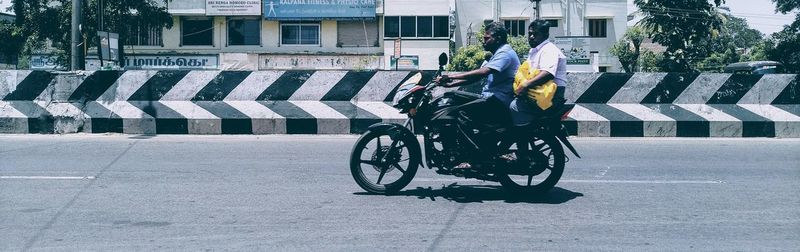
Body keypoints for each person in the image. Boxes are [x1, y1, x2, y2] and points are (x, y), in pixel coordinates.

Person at [435, 21, 520, 169]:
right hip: (491, 98)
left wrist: (451, 76)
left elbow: (484, 72)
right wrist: (450, 85)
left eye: (487, 38)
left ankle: (473, 157)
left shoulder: (505, 53)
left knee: (459, 113)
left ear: (498, 38)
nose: (483, 41)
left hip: (499, 101)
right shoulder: (495, 55)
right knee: (452, 97)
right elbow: (476, 77)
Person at [506, 19, 568, 167]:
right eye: (530, 34)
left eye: (535, 34)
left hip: (551, 94)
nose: (531, 37)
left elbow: (548, 74)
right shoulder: (535, 51)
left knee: (515, 107)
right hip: (539, 91)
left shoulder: (549, 50)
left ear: (545, 34)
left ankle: (522, 152)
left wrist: (526, 85)